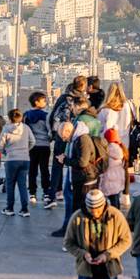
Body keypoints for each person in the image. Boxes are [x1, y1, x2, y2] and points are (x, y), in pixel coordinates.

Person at [47, 78, 85, 209]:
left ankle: (54, 194)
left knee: (57, 164)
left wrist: (53, 133)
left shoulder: (63, 98)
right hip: (75, 136)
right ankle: (70, 192)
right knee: (72, 163)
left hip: (61, 134)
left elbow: (53, 115)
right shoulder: (83, 101)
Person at [0, 108, 35, 217]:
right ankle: (25, 209)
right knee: (22, 185)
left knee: (10, 185)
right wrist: (26, 150)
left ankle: (9, 208)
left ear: (9, 118)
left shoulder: (6, 129)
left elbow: (0, 146)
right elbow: (33, 141)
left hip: (11, 160)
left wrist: (5, 152)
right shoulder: (26, 128)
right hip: (25, 160)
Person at [22, 91, 52, 206]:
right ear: (37, 102)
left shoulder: (26, 115)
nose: (45, 102)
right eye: (43, 100)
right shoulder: (45, 115)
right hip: (44, 145)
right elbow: (49, 130)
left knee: (32, 170)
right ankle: (46, 192)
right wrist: (49, 139)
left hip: (31, 146)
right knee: (44, 170)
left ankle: (32, 193)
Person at [98, 83, 133, 147]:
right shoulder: (128, 105)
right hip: (124, 143)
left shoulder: (105, 109)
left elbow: (99, 127)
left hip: (109, 143)